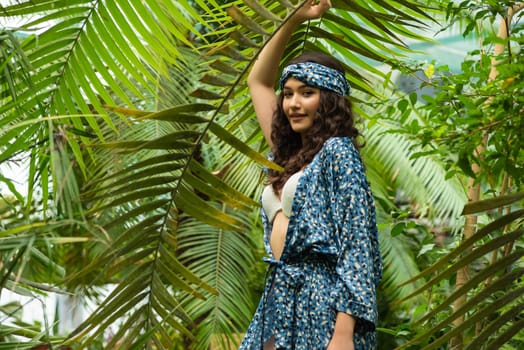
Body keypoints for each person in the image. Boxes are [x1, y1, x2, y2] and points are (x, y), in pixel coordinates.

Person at [239, 1, 382, 349]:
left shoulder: (338, 154)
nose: (293, 104)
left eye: (307, 93)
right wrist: (295, 17)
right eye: (287, 94)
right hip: (279, 300)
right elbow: (258, 81)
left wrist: (344, 333)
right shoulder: (286, 153)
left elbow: (358, 248)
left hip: (324, 305)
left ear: (329, 100)